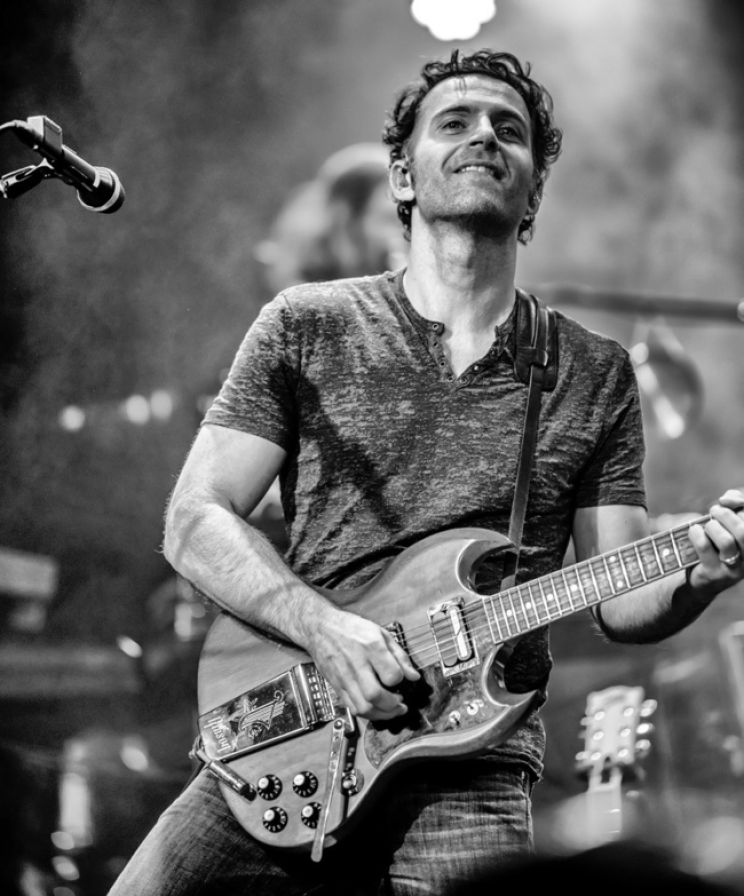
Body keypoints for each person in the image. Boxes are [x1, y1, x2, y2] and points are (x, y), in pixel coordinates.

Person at [107, 48, 744, 895]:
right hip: (291, 729)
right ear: (404, 176)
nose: (485, 135)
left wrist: (702, 570)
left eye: (509, 130)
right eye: (456, 122)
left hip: (472, 767)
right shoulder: (307, 325)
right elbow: (194, 518)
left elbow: (620, 595)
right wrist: (326, 631)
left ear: (533, 192)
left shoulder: (592, 372)